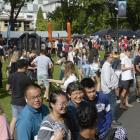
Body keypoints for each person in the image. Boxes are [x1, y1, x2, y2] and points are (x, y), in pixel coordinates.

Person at [6, 59, 33, 138]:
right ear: (25, 67)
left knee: (14, 119)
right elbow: (31, 90)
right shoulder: (27, 78)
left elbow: (7, 88)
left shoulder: (12, 75)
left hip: (14, 101)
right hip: (23, 102)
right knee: (23, 120)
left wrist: (12, 91)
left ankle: (10, 136)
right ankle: (22, 136)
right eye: (27, 67)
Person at [101, 52, 121, 126]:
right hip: (109, 90)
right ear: (107, 58)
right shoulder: (106, 67)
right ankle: (113, 120)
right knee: (112, 105)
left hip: (110, 89)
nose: (112, 58)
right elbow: (107, 80)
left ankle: (111, 119)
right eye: (111, 57)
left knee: (111, 105)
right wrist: (113, 88)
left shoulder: (108, 65)